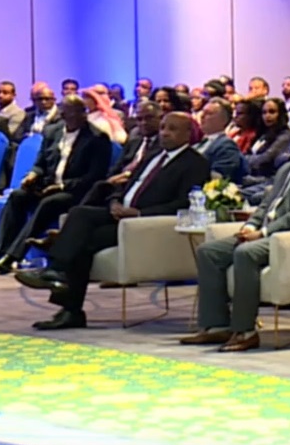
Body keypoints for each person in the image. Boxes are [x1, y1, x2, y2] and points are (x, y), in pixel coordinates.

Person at [15, 112, 210, 330]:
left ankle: (67, 302)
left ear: (188, 134)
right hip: (120, 215)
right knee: (79, 213)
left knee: (82, 243)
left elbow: (184, 203)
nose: (165, 133)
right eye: (163, 127)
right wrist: (115, 201)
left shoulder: (195, 163)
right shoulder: (154, 155)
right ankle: (58, 274)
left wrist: (138, 213)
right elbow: (125, 185)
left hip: (142, 224)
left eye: (172, 129)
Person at [183, 111, 290, 352]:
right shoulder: (289, 166)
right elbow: (266, 204)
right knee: (209, 251)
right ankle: (216, 326)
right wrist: (251, 225)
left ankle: (245, 331)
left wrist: (263, 232)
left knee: (246, 252)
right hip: (267, 231)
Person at [0, 98, 113, 275]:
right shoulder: (52, 131)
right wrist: (33, 174)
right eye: (65, 112)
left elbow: (95, 176)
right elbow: (40, 164)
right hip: (47, 185)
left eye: (74, 113)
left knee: (50, 203)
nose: (68, 116)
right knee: (17, 196)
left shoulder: (97, 138)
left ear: (83, 114)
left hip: (75, 191)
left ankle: (12, 256)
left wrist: (62, 186)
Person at [193, 100, 244, 184]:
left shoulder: (226, 145)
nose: (202, 116)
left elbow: (221, 178)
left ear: (224, 120)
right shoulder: (197, 144)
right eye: (203, 112)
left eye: (209, 113)